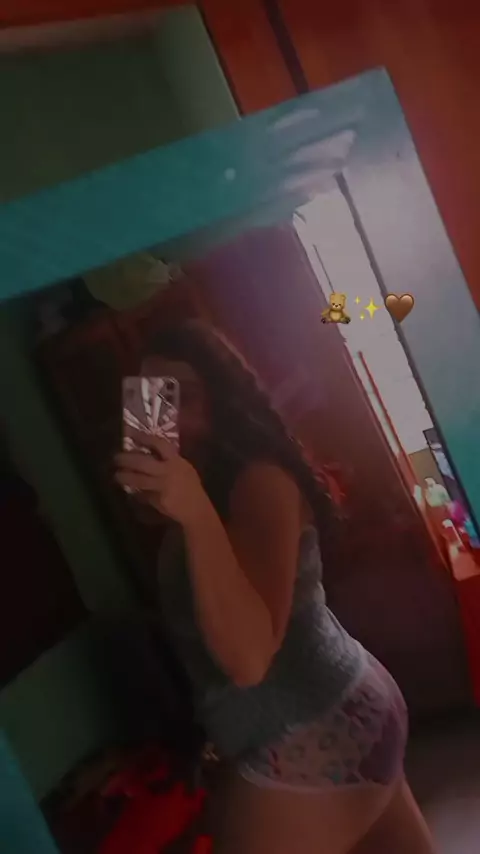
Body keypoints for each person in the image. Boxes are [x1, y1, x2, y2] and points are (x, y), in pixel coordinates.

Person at [114, 320, 435, 854]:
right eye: (153, 398)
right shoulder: (207, 487)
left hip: (309, 733)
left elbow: (249, 659)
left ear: (223, 404)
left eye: (184, 396)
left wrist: (194, 510)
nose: (167, 417)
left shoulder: (260, 482)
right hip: (335, 714)